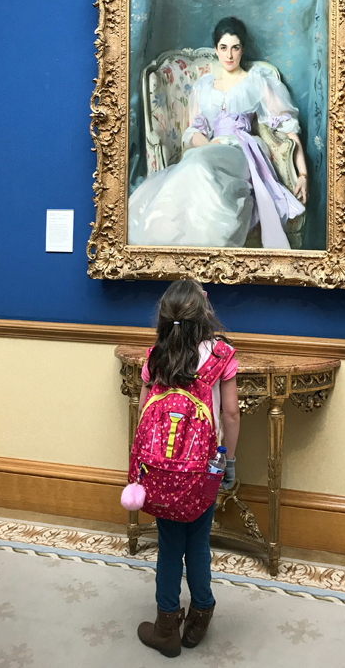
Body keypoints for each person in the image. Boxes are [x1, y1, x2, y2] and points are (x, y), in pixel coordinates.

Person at [127, 16, 309, 249]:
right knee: (194, 162)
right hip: (211, 149)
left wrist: (303, 174)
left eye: (235, 48)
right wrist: (209, 146)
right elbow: (194, 130)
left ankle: (213, 240)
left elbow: (288, 128)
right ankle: (173, 240)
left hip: (241, 149)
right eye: (223, 48)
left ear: (242, 49)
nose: (229, 55)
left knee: (198, 164)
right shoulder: (204, 86)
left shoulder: (256, 81)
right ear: (216, 49)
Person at [137, 278, 241, 657]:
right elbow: (230, 413)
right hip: (204, 469)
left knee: (169, 545)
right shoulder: (221, 355)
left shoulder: (156, 355)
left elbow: (144, 414)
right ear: (205, 313)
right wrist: (228, 461)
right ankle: (200, 613)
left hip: (163, 470)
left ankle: (167, 625)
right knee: (198, 542)